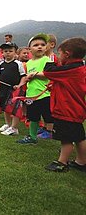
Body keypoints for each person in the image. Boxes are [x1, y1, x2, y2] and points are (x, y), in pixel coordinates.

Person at [41, 37, 86, 172]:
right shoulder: (79, 68)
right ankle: (81, 162)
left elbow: (48, 70)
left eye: (59, 54)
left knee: (66, 139)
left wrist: (49, 56)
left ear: (67, 54)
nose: (58, 57)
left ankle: (62, 162)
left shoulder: (71, 69)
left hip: (67, 110)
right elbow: (68, 85)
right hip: (75, 110)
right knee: (79, 137)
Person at [16, 33, 53, 144]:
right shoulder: (29, 63)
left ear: (46, 47)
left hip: (44, 94)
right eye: (36, 45)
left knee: (48, 116)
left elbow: (50, 74)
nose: (40, 47)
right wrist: (21, 84)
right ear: (30, 49)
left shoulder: (47, 60)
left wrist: (35, 74)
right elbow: (26, 77)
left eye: (42, 44)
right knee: (33, 117)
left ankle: (49, 132)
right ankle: (32, 137)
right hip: (31, 95)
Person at [0, 42, 27, 136]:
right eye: (5, 51)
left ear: (15, 53)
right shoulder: (0, 65)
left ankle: (14, 128)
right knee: (5, 108)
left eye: (10, 51)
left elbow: (23, 76)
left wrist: (19, 85)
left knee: (15, 109)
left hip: (15, 90)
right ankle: (8, 124)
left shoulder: (18, 64)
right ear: (2, 53)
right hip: (3, 89)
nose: (8, 53)